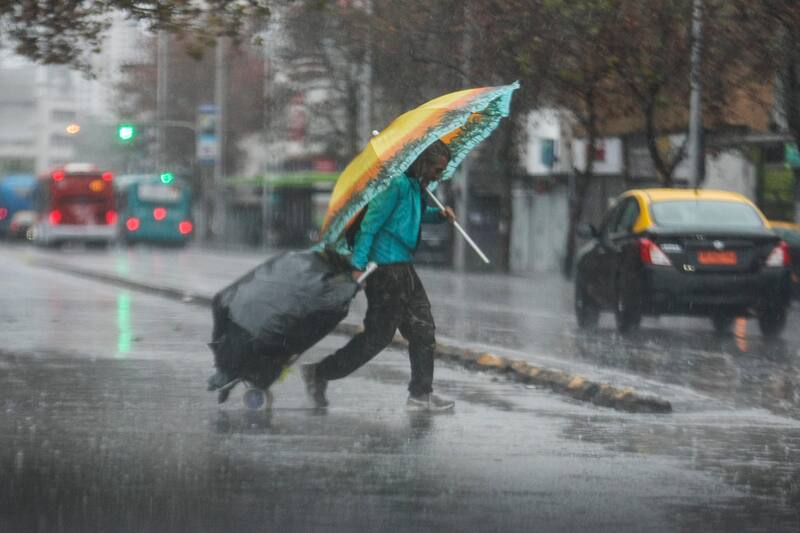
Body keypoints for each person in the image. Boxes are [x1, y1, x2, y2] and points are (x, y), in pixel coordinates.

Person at [302, 140, 456, 411]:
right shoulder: (394, 185)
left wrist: (441, 216)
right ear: (423, 162)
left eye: (442, 171)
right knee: (378, 337)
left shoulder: (416, 187)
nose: (439, 175)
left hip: (404, 268)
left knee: (423, 330)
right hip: (384, 270)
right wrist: (358, 265)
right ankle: (319, 373)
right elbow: (370, 226)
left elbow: (414, 217)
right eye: (437, 169)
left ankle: (421, 394)